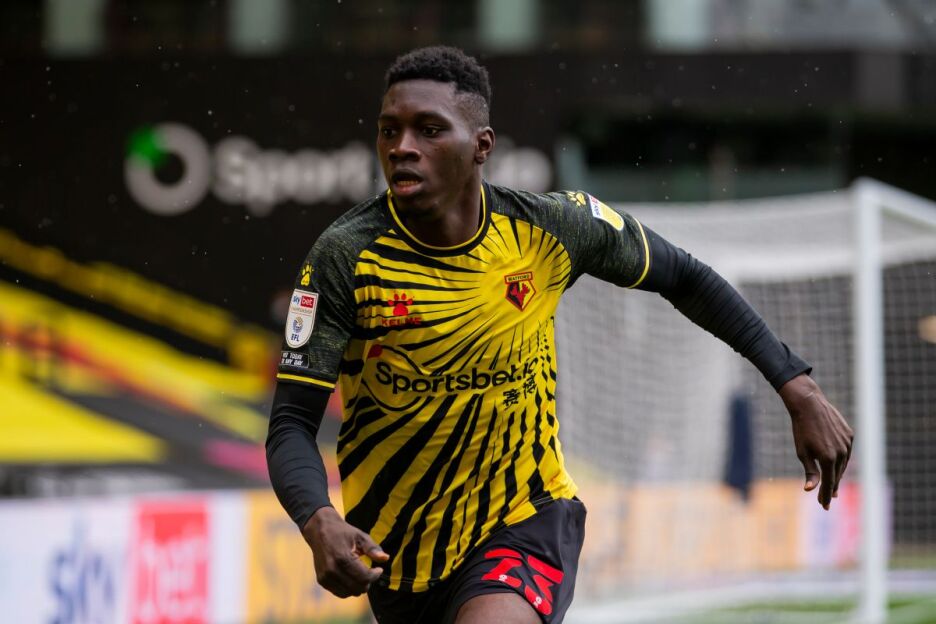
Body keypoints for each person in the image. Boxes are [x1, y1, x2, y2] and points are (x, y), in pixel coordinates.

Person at [266, 46, 854, 624]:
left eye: (429, 130)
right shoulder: (346, 258)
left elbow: (687, 277)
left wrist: (795, 384)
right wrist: (318, 518)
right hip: (399, 557)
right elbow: (292, 421)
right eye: (389, 130)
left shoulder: (550, 227)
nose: (402, 147)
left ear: (481, 146)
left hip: (525, 516)